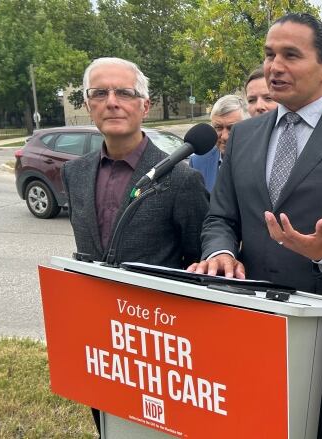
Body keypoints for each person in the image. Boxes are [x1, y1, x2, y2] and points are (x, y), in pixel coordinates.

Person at [188, 13, 322, 438]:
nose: (274, 67)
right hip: (251, 321)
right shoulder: (245, 136)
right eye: (269, 55)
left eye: (290, 55)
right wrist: (221, 251)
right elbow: (220, 217)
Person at [61, 57, 209, 435]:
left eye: (124, 92)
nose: (112, 101)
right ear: (88, 104)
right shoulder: (74, 173)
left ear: (144, 105)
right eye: (99, 93)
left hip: (159, 345)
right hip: (101, 339)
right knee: (108, 424)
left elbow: (198, 262)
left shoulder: (179, 178)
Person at [190, 94, 246, 192]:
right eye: (218, 128)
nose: (224, 136)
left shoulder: (263, 162)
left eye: (232, 128)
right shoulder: (197, 162)